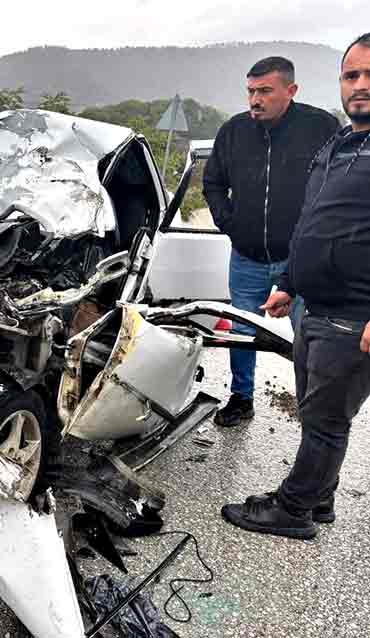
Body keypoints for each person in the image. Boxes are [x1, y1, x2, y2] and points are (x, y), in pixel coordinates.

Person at [221, 33, 370, 540]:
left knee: (326, 418)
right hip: (317, 304)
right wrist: (288, 282)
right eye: (351, 75)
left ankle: (293, 509)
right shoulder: (342, 144)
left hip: (353, 313)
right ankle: (319, 495)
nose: (360, 85)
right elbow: (314, 220)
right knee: (315, 410)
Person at [203, 57, 339, 427]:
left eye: (265, 91)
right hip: (246, 258)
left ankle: (313, 409)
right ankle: (241, 398)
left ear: (291, 90)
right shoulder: (233, 131)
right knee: (241, 333)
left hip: (301, 261)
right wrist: (230, 223)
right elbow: (213, 183)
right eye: (251, 91)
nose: (255, 100)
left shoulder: (322, 127)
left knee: (308, 338)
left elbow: (339, 186)